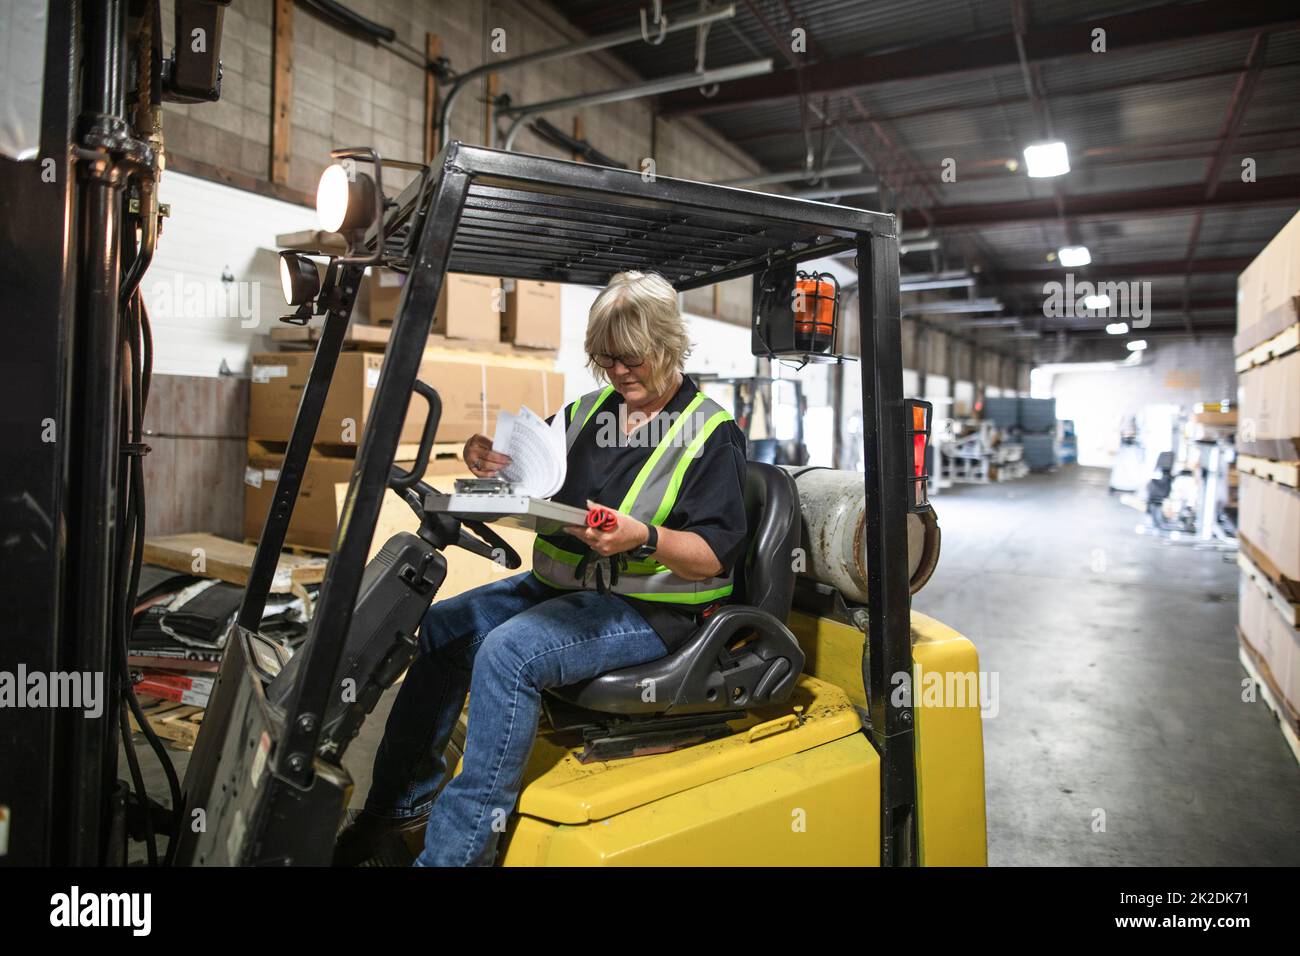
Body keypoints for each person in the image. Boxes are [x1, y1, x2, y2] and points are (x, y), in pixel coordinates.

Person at [334, 270, 749, 866]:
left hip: (655, 610)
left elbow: (712, 553)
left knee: (508, 652)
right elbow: (532, 477)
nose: (618, 373)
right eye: (606, 360)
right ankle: (397, 812)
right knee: (445, 625)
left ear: (666, 346)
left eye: (631, 359)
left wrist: (642, 536)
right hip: (564, 589)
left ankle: (455, 856)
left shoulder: (711, 433)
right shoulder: (587, 413)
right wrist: (487, 462)